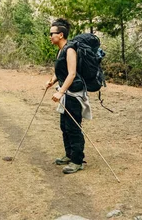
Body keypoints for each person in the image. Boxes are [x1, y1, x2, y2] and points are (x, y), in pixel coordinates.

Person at [46, 18, 91, 174]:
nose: (50, 36)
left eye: (52, 33)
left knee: (73, 127)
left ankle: (78, 161)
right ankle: (69, 154)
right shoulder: (61, 49)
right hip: (67, 93)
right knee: (64, 126)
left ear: (61, 34)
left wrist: (60, 92)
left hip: (73, 94)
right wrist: (52, 81)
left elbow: (71, 74)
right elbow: (62, 72)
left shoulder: (70, 49)